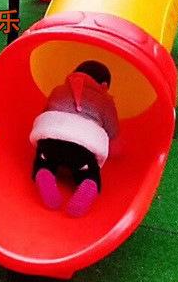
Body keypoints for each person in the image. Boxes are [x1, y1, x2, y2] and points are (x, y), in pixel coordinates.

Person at [30, 61, 119, 218]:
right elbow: (112, 131)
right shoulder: (105, 101)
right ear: (104, 85)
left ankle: (45, 171)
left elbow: (46, 111)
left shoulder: (59, 89)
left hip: (50, 141)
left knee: (44, 161)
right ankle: (88, 182)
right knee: (87, 171)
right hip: (81, 150)